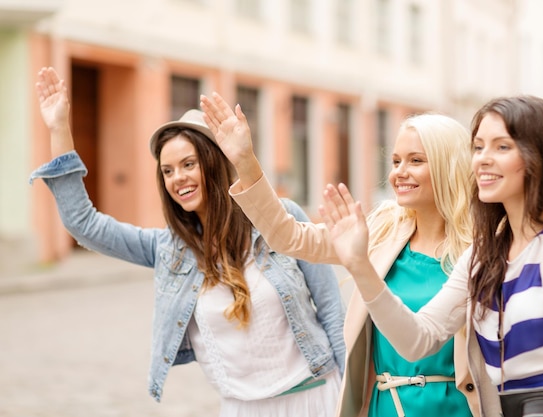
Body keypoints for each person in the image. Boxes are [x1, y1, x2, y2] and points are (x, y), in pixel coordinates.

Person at [30, 67, 346, 417]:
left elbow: (332, 311)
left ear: (212, 163)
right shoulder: (168, 248)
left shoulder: (281, 218)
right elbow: (83, 224)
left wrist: (355, 396)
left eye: (188, 164)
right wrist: (59, 127)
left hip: (317, 397)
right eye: (167, 171)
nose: (177, 178)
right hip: (242, 408)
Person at [317, 96, 543, 416]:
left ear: (539, 157)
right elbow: (418, 340)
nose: (482, 159)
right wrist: (360, 266)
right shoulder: (483, 256)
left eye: (501, 147)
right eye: (478, 147)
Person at [200, 93, 478, 417]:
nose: (400, 172)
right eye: (396, 161)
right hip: (385, 406)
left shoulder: (480, 248)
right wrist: (246, 162)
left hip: (456, 408)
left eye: (416, 161)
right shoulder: (382, 229)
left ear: (448, 166)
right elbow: (287, 236)